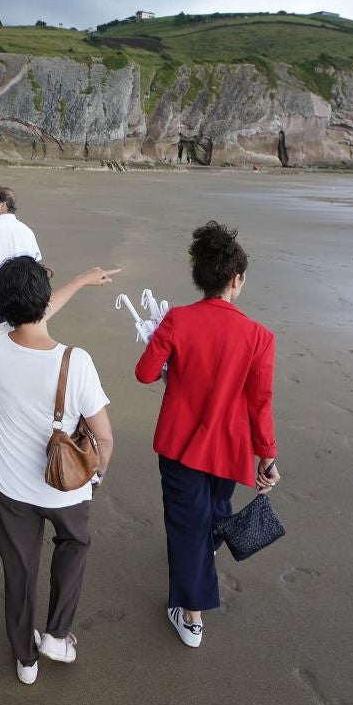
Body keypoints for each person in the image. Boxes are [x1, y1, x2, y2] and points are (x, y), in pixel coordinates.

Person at [134, 221, 280, 649]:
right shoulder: (259, 337)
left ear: (201, 277)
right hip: (228, 446)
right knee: (215, 508)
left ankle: (192, 615)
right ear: (235, 280)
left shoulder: (178, 320)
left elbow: (144, 373)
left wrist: (171, 368)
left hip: (180, 442)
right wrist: (267, 456)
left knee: (187, 522)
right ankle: (200, 566)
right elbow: (260, 402)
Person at [0, 256, 118, 684]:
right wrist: (96, 475)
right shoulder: (77, 363)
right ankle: (57, 634)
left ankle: (25, 659)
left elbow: (33, 313)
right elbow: (105, 439)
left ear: (3, 308)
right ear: (42, 300)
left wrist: (81, 277)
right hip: (65, 486)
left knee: (19, 569)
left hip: (8, 481)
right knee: (75, 542)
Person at [0, 186, 45, 394]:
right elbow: (35, 262)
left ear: (3, 204)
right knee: (16, 329)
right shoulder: (26, 231)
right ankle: (14, 369)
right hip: (20, 289)